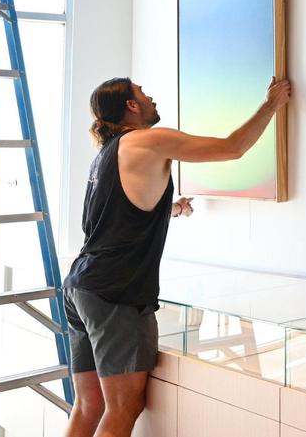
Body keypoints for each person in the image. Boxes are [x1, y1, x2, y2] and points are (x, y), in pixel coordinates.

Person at [62, 76, 291, 437]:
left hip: (81, 286)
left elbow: (120, 216)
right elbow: (232, 148)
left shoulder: (106, 154)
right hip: (115, 293)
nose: (149, 96)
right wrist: (271, 105)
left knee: (89, 406)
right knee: (123, 408)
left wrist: (172, 209)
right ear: (131, 106)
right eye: (141, 93)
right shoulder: (150, 139)